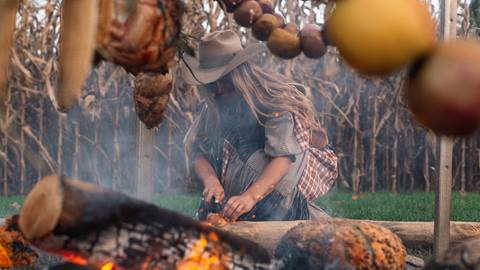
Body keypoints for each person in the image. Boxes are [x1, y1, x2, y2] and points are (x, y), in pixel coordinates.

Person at [181, 30, 338, 222]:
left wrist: (250, 197)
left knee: (252, 153)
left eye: (224, 81)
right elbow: (196, 150)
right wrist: (211, 181)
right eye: (212, 85)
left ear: (240, 74)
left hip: (282, 174)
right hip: (248, 180)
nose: (218, 90)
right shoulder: (214, 104)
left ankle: (288, 215)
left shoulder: (274, 98)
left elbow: (283, 159)